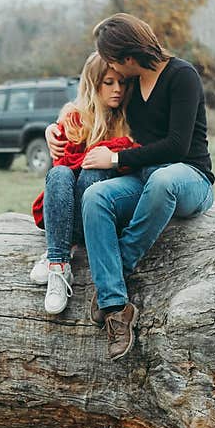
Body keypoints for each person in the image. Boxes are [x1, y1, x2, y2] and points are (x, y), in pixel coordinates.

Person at [48, 13, 215, 360]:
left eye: (111, 59)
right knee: (95, 196)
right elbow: (89, 107)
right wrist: (54, 128)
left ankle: (117, 271)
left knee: (162, 179)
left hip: (188, 177)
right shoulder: (130, 85)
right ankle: (116, 307)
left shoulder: (182, 76)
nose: (112, 70)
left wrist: (114, 161)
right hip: (143, 178)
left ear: (126, 56)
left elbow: (177, 146)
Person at [30, 51, 138, 315]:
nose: (117, 90)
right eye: (109, 82)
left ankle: (59, 250)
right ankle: (59, 265)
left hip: (101, 214)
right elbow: (63, 166)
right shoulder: (75, 118)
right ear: (93, 84)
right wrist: (52, 131)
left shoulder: (129, 119)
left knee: (92, 173)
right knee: (59, 174)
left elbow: (135, 156)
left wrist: (109, 156)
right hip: (67, 208)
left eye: (122, 83)